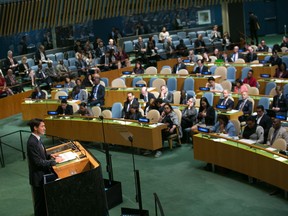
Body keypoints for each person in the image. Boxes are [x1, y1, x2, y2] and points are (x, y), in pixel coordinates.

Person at [27, 118, 63, 216]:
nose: (45, 128)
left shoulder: (37, 139)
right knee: (40, 205)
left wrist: (50, 156)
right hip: (38, 178)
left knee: (44, 203)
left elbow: (41, 154)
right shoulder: (32, 142)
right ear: (35, 128)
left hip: (43, 176)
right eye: (42, 126)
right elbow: (37, 162)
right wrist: (53, 162)